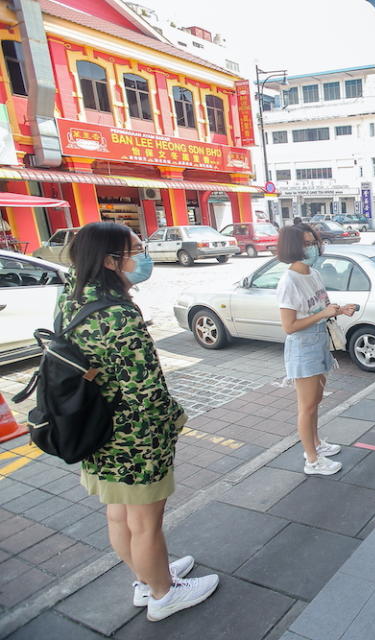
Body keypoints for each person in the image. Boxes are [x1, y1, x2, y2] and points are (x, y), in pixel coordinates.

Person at [61, 222, 217, 622]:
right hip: (135, 438)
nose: (142, 255)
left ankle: (146, 579)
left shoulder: (71, 296)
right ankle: (163, 594)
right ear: (112, 260)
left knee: (118, 515)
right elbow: (147, 390)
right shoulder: (118, 314)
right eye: (136, 249)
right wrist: (174, 421)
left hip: (95, 428)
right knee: (146, 525)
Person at [276, 224, 357, 475]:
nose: (313, 247)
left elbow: (320, 306)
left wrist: (339, 309)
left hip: (320, 341)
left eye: (314, 242)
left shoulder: (312, 273)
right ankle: (312, 460)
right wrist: (322, 313)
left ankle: (316, 444)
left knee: (316, 400)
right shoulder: (289, 281)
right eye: (306, 243)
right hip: (303, 346)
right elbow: (289, 326)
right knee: (307, 405)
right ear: (293, 247)